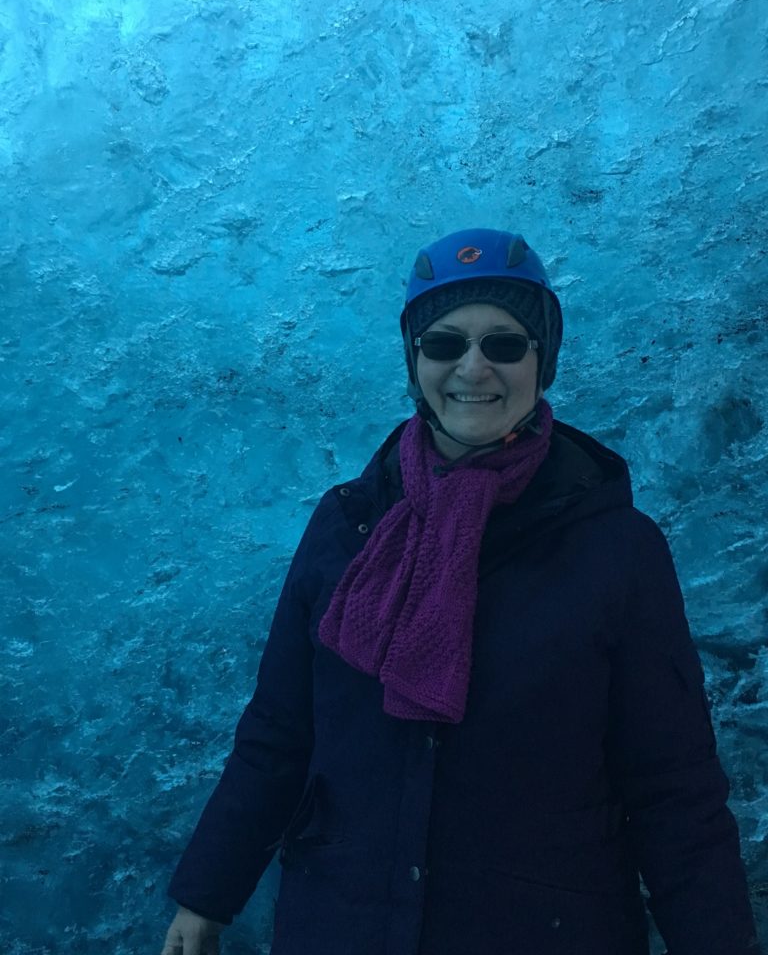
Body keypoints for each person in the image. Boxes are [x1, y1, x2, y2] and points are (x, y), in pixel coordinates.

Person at [160, 229, 760, 955]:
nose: (473, 368)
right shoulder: (347, 526)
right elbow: (279, 737)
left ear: (544, 360)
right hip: (344, 925)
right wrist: (205, 899)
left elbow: (674, 790)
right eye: (444, 344)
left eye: (505, 345)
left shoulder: (617, 550)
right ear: (414, 361)